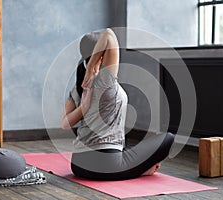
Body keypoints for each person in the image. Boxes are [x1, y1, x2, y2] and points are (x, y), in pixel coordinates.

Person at [61, 28, 174, 180]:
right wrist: (91, 67)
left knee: (130, 149)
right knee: (168, 138)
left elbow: (65, 124)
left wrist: (83, 108)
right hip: (105, 165)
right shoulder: (105, 80)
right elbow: (109, 34)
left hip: (78, 164)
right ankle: (140, 170)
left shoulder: (79, 85)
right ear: (101, 54)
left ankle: (137, 168)